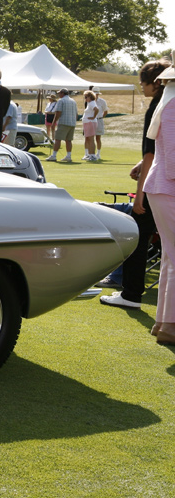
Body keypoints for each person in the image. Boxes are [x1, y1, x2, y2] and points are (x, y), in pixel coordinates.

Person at [100, 60, 170, 310]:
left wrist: (139, 196)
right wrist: (141, 163)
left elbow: (151, 153)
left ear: (155, 82)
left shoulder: (157, 107)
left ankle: (130, 294)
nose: (141, 85)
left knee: (137, 237)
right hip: (163, 181)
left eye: (144, 81)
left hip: (158, 185)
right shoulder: (168, 103)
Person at [142, 63, 175, 343]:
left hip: (164, 187)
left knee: (170, 257)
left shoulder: (169, 101)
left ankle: (165, 322)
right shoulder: (173, 104)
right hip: (168, 186)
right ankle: (170, 325)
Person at [47, 89, 77, 162]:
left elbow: (58, 112)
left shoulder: (61, 101)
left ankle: (54, 155)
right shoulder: (73, 101)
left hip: (63, 122)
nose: (58, 94)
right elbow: (76, 113)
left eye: (59, 93)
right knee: (68, 140)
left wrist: (53, 122)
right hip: (72, 123)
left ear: (63, 93)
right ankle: (68, 156)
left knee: (58, 139)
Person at [81, 90, 100, 161]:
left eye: (86, 97)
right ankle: (89, 154)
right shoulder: (89, 103)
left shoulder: (92, 103)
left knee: (91, 139)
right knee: (88, 139)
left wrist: (93, 117)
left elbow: (96, 109)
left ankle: (92, 155)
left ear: (90, 97)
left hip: (90, 122)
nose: (85, 98)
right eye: (85, 97)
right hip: (87, 122)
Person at [94, 90, 109, 158]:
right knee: (90, 137)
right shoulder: (89, 101)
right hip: (91, 121)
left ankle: (98, 153)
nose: (95, 95)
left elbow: (105, 111)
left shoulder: (102, 101)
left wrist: (101, 117)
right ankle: (90, 153)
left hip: (99, 120)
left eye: (96, 94)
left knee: (98, 138)